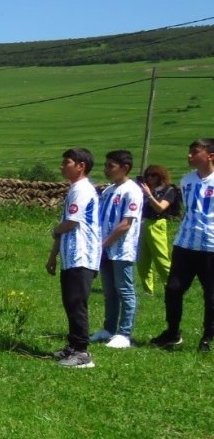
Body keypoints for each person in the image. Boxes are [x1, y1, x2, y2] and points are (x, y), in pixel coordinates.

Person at [149, 138, 214, 353]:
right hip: (185, 244)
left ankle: (208, 337)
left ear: (210, 156)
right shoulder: (186, 180)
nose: (189, 156)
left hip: (211, 246)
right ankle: (172, 332)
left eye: (195, 152)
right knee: (173, 288)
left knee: (211, 294)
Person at [45, 148, 101, 369]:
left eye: (66, 162)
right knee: (70, 302)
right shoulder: (74, 190)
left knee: (77, 303)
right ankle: (73, 345)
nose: (61, 166)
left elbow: (71, 223)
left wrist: (55, 230)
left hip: (82, 254)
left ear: (81, 166)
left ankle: (82, 352)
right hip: (72, 255)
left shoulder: (82, 190)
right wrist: (54, 254)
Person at [92, 150, 143, 349]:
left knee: (125, 290)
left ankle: (124, 332)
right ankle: (109, 328)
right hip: (104, 248)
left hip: (122, 248)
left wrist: (104, 243)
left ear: (125, 168)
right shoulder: (108, 191)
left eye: (110, 166)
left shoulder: (133, 191)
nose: (106, 170)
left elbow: (126, 224)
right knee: (109, 291)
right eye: (105, 166)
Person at [137, 164, 180, 295]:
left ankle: (171, 286)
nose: (150, 178)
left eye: (153, 175)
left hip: (157, 223)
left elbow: (160, 208)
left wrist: (149, 195)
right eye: (148, 175)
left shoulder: (169, 190)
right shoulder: (143, 189)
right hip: (142, 224)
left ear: (160, 176)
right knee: (142, 261)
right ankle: (147, 290)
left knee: (161, 259)